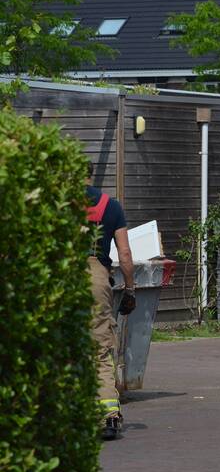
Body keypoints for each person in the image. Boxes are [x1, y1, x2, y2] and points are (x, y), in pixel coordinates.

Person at [86, 163, 136, 440]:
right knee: (100, 348)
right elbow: (125, 254)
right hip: (96, 279)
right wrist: (130, 289)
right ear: (92, 174)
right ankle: (108, 417)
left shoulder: (57, 205)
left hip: (61, 278)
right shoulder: (111, 207)